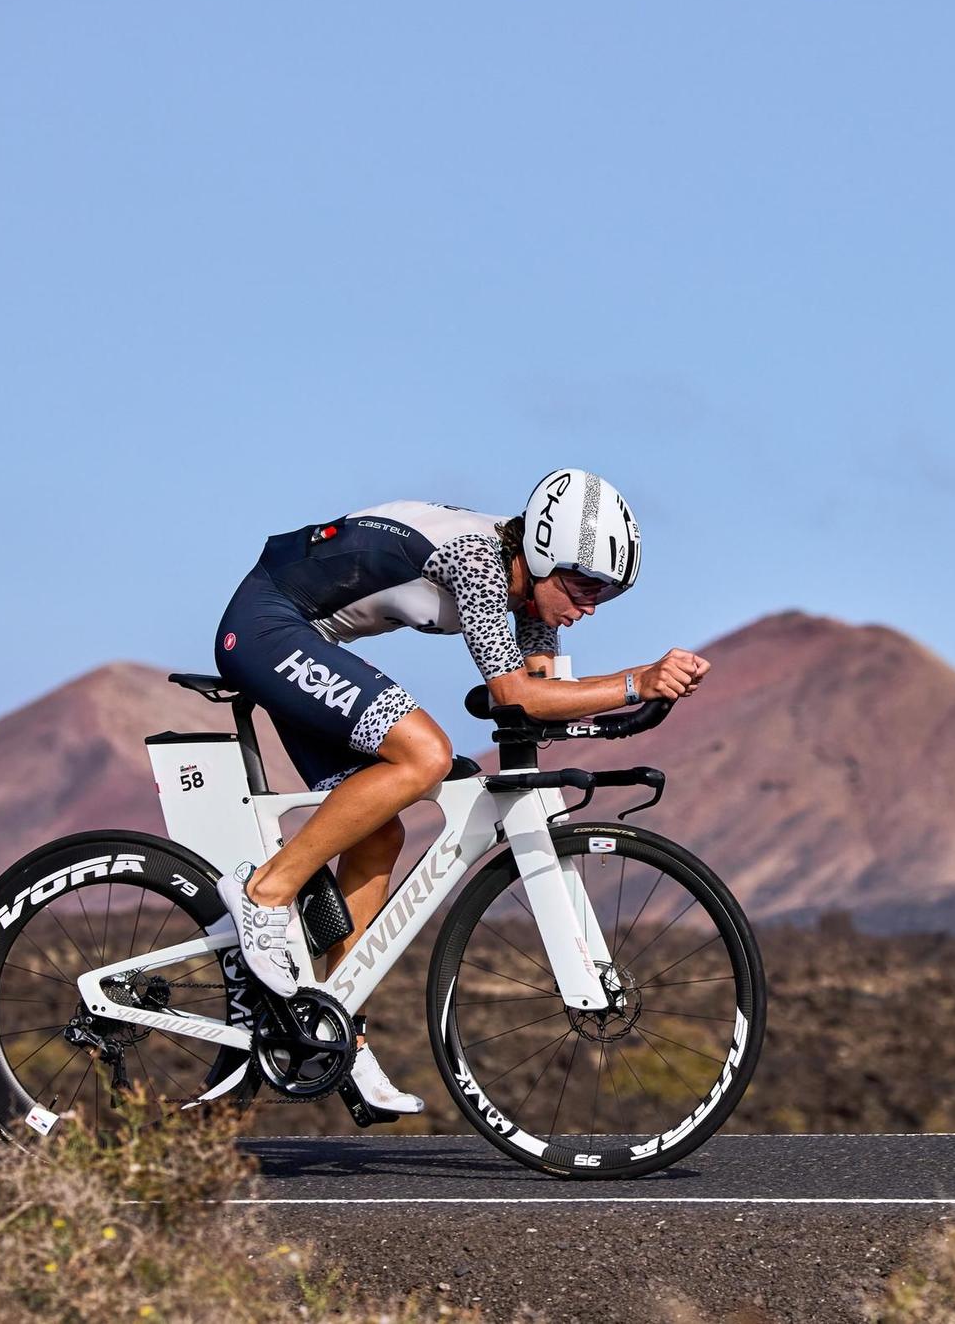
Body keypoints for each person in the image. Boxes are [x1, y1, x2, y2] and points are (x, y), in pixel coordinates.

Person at [210, 468, 710, 1115]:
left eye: (607, 596)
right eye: (585, 585)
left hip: (310, 637)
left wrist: (637, 704)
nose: (589, 606)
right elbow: (514, 694)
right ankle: (263, 894)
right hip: (267, 626)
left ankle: (335, 1025)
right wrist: (638, 680)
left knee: (380, 826)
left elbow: (541, 696)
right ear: (541, 552)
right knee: (425, 753)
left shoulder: (530, 601)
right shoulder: (476, 559)